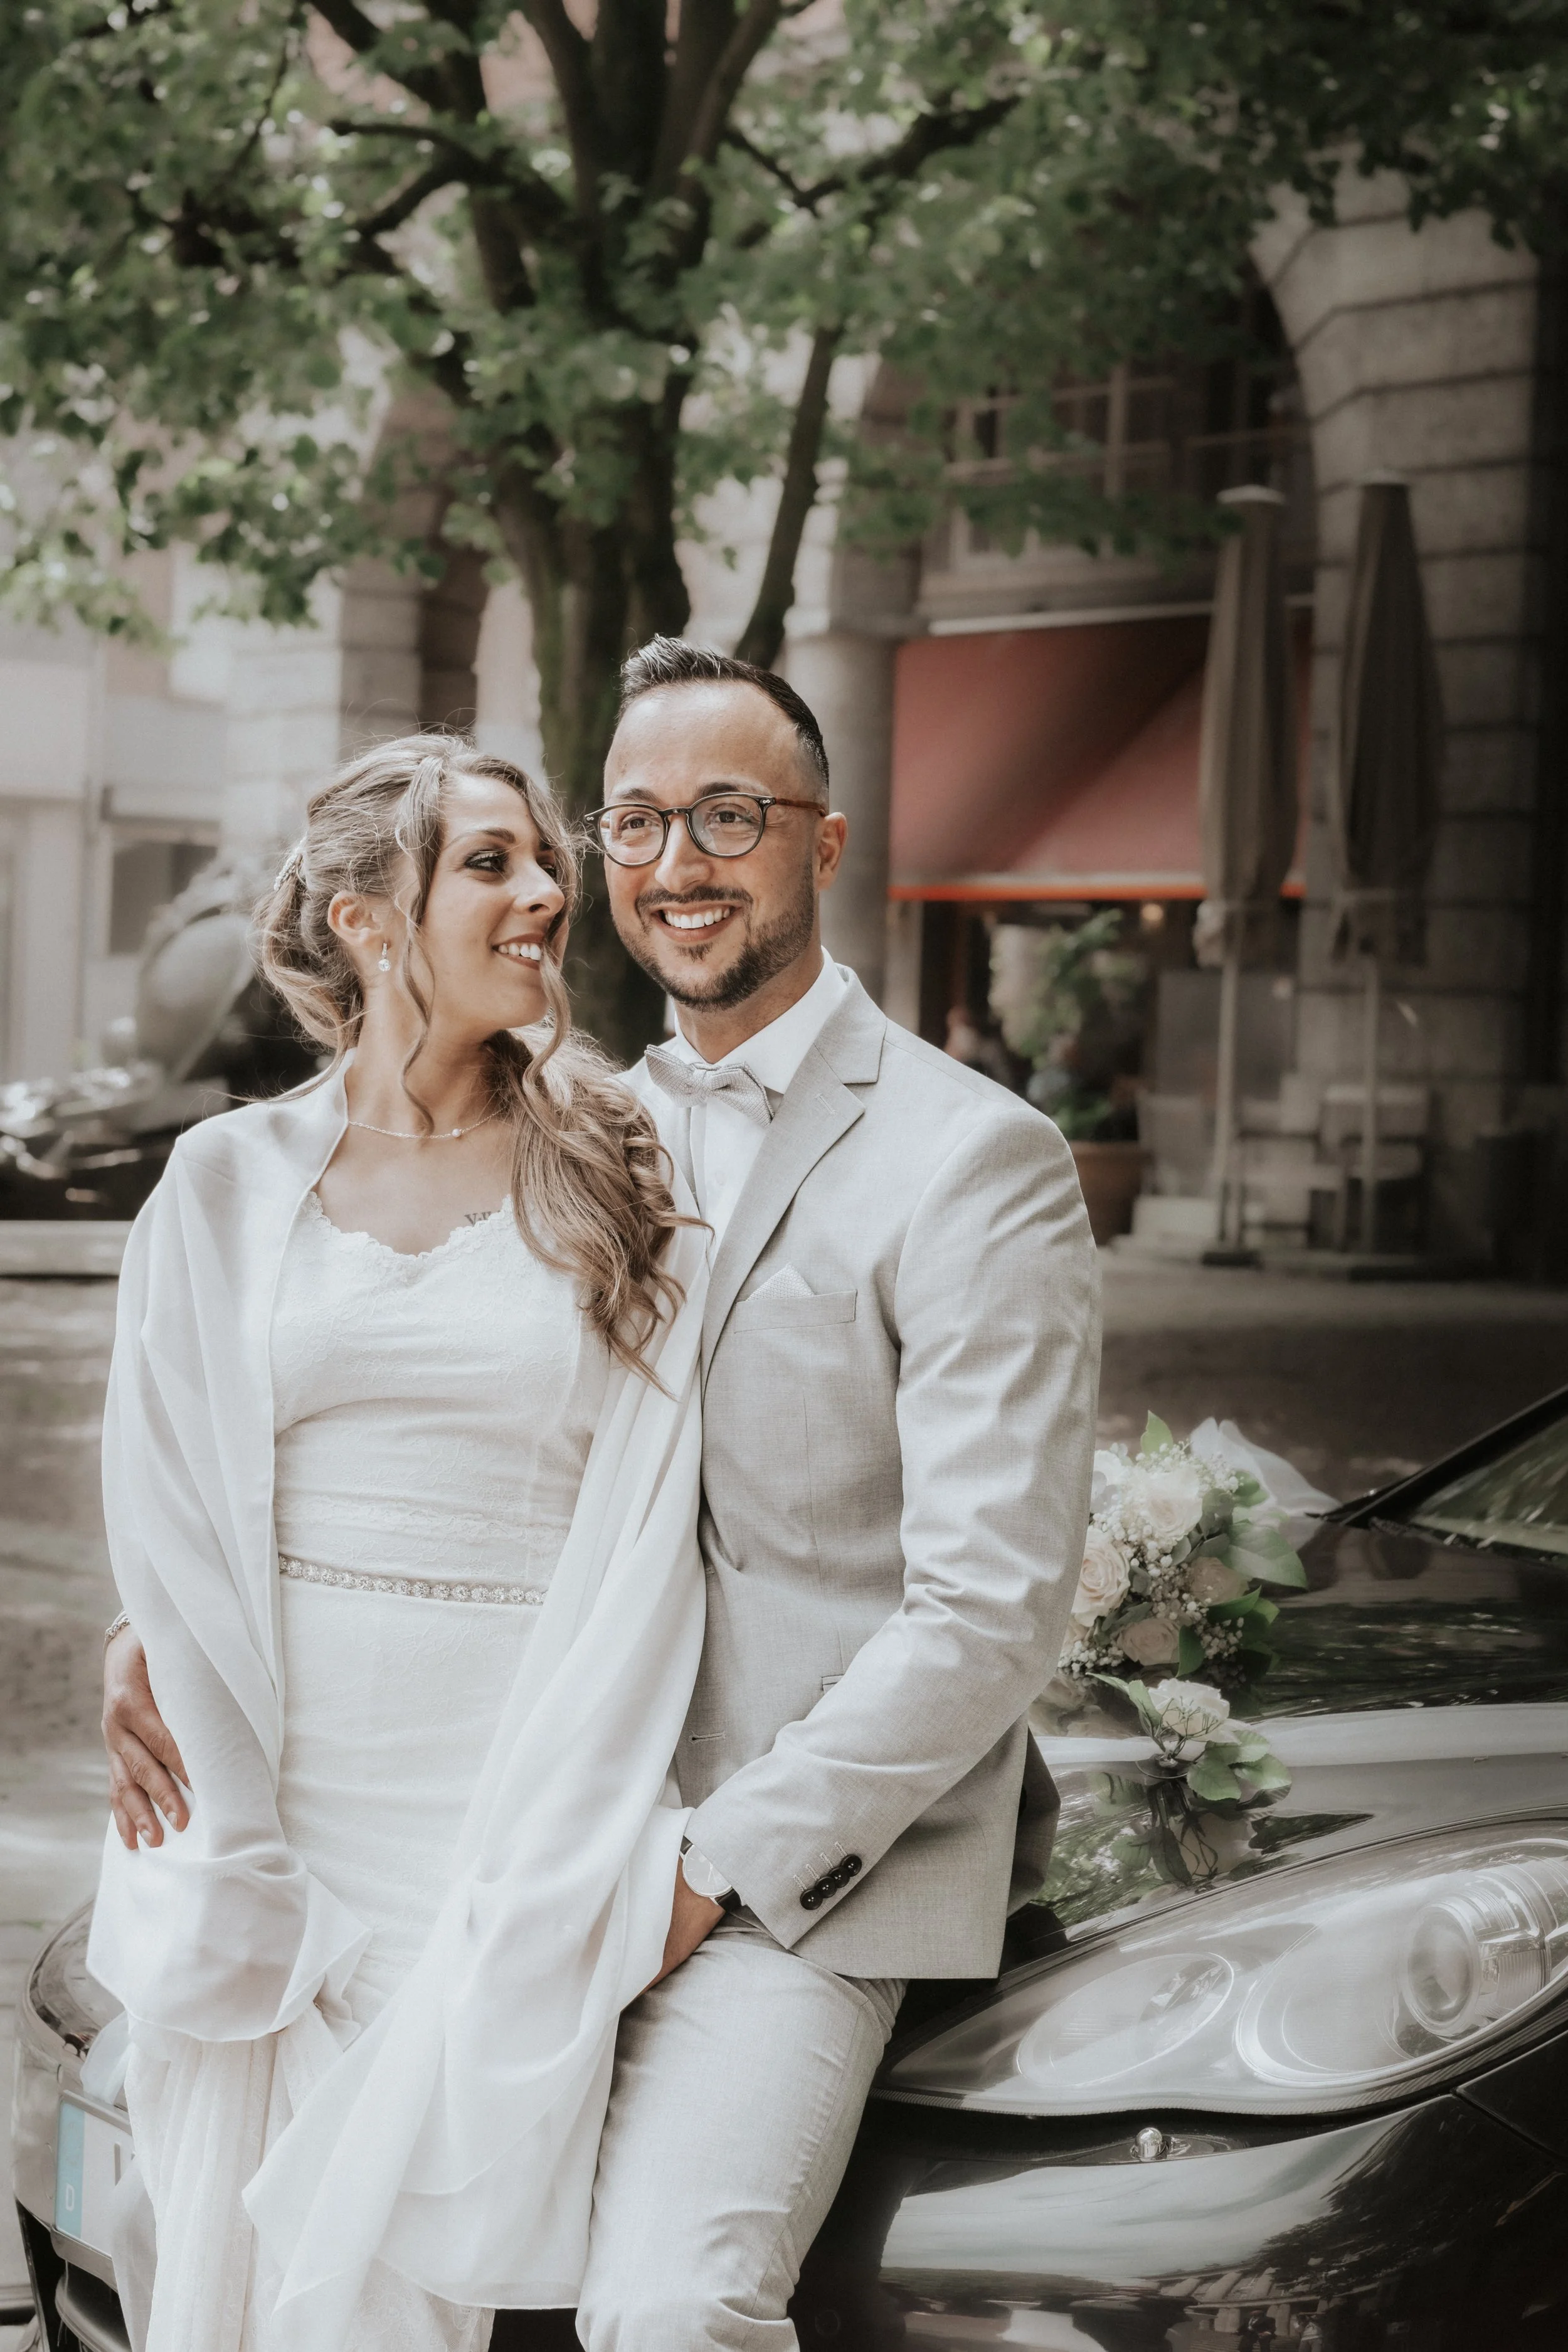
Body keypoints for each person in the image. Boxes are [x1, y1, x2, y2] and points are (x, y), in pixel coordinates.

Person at [105, 640, 1102, 2351]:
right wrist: (162, 1626)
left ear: (824, 840)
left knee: (666, 2306)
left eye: (728, 816)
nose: (669, 862)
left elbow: (990, 1606)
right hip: (521, 1809)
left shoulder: (972, 1157)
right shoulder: (590, 1133)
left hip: (776, 1874)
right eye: (633, 820)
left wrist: (712, 1865)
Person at [89, 735, 710, 2352]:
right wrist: (146, 1647)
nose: (548, 892)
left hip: (515, 1798)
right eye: (490, 862)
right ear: (366, 919)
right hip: (274, 1800)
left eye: (546, 859)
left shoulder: (626, 1164)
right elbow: (168, 1496)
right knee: (234, 2270)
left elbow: (674, 1499)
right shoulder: (222, 1185)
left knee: (420, 2277)